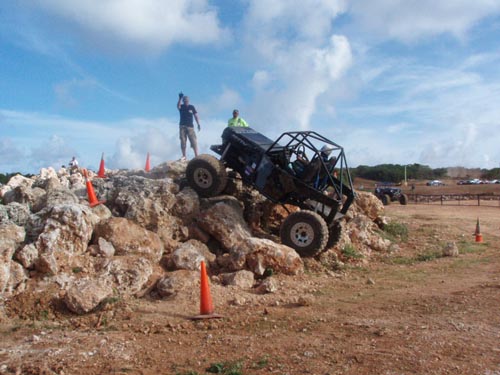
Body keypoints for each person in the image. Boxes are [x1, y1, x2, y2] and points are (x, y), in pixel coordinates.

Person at [177, 92, 201, 161]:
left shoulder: (192, 107)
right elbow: (178, 106)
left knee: (193, 141)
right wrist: (180, 98)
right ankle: (184, 156)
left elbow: (196, 115)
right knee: (183, 141)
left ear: (188, 100)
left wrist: (198, 124)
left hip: (190, 126)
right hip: (182, 126)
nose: (186, 101)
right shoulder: (182, 106)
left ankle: (196, 156)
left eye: (186, 100)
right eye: (184, 100)